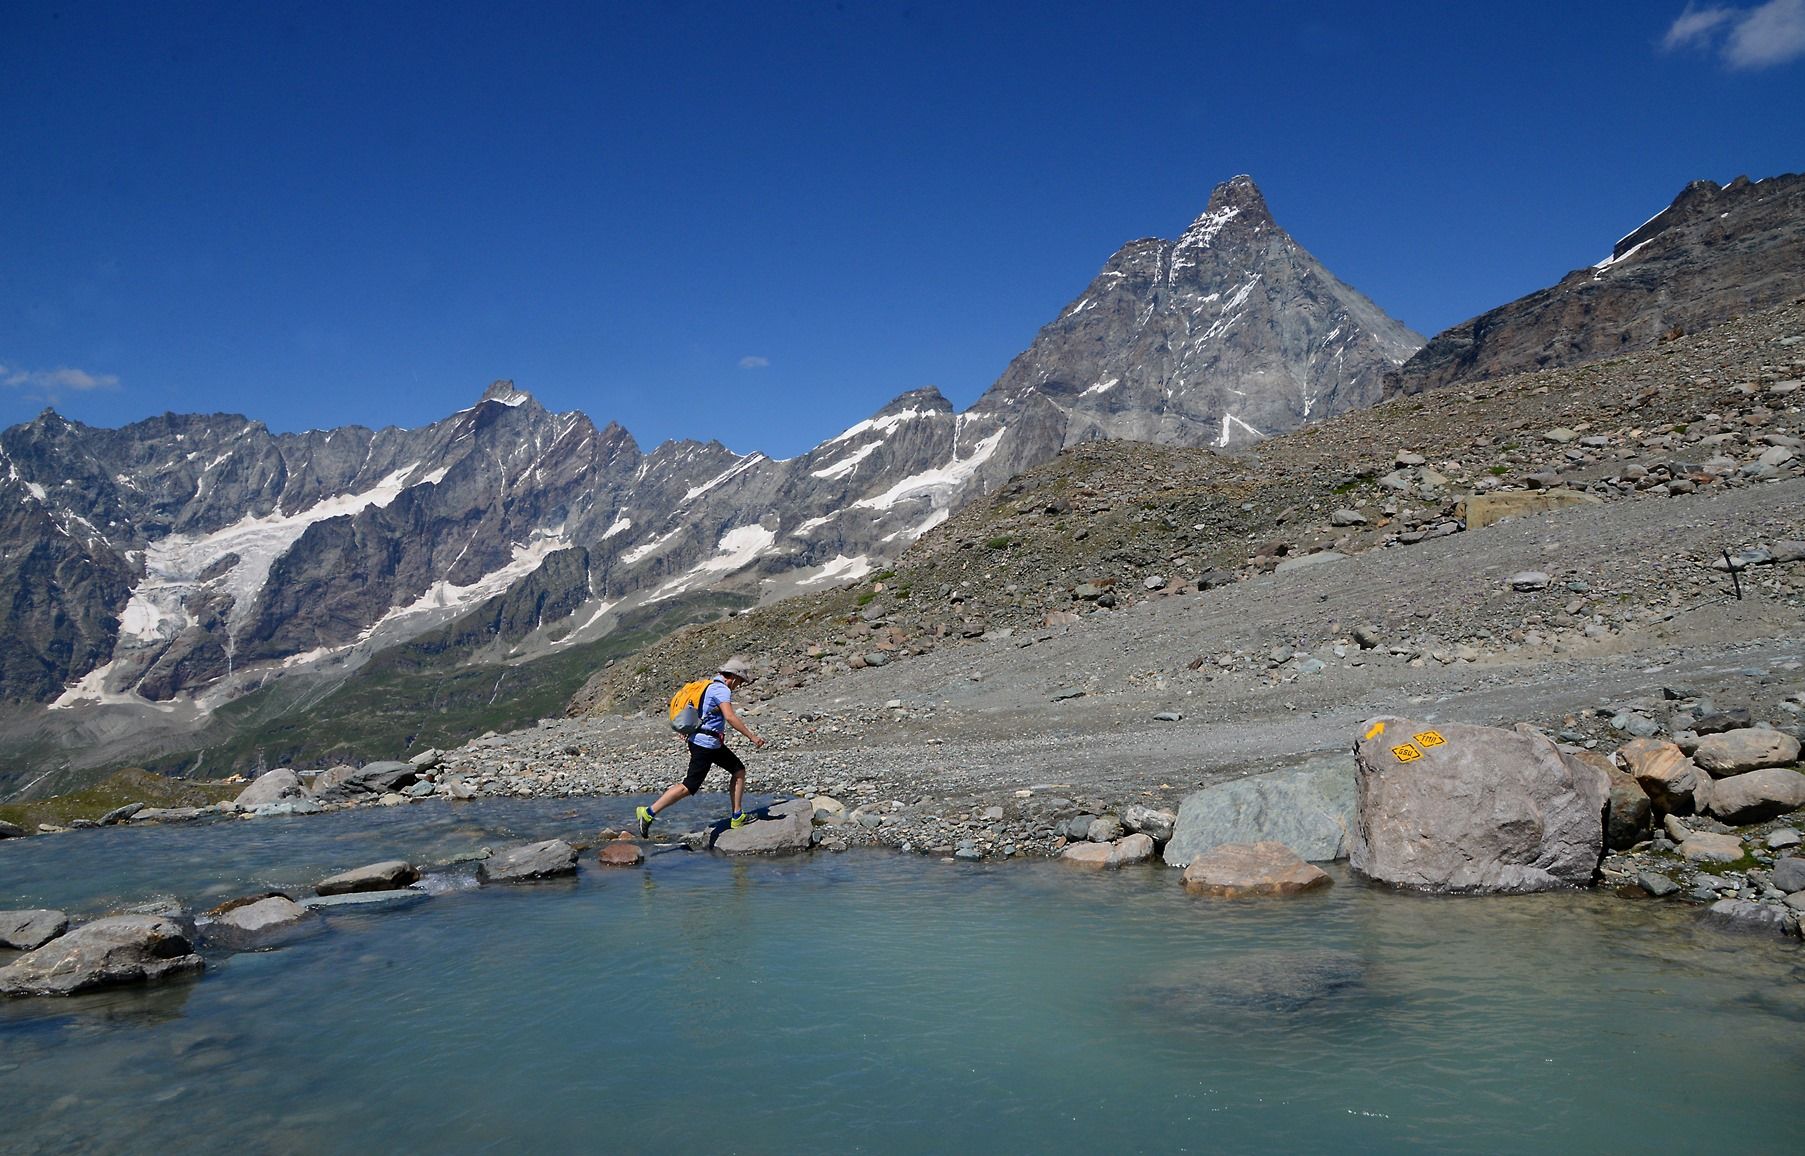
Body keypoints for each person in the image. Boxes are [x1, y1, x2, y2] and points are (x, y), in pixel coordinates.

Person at [637, 656, 767, 836]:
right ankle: (648, 812)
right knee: (688, 786)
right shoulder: (722, 690)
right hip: (706, 745)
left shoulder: (707, 686)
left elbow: (696, 712)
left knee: (738, 770)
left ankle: (737, 816)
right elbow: (730, 717)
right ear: (734, 677)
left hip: (709, 743)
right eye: (740, 682)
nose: (739, 686)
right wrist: (752, 737)